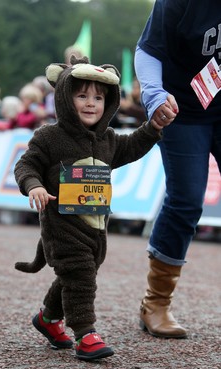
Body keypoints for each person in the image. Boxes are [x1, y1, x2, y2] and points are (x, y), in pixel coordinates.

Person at [14, 55, 162, 361]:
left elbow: (133, 145)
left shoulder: (107, 139)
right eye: (81, 95)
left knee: (76, 272)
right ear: (65, 99)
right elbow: (25, 165)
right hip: (61, 224)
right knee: (80, 274)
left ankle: (47, 319)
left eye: (98, 97)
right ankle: (85, 334)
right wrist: (35, 186)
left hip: (95, 227)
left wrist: (153, 127)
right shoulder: (49, 136)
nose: (90, 103)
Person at [134, 0, 221, 339]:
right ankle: (155, 304)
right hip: (181, 110)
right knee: (185, 201)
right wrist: (153, 95)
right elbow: (148, 50)